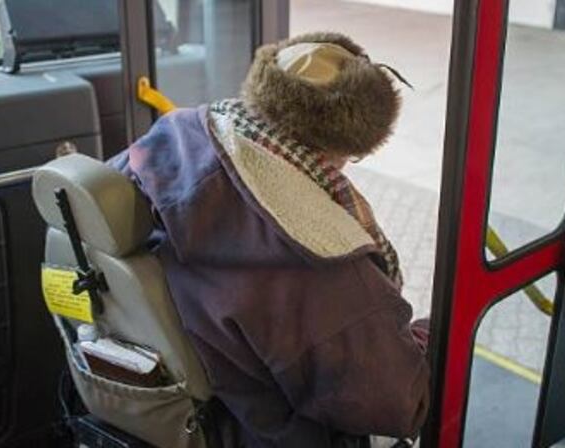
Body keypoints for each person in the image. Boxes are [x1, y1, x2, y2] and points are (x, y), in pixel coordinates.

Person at [109, 32, 430, 448]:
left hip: (187, 411)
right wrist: (432, 333)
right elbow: (402, 403)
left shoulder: (170, 139)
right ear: (348, 143)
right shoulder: (322, 259)